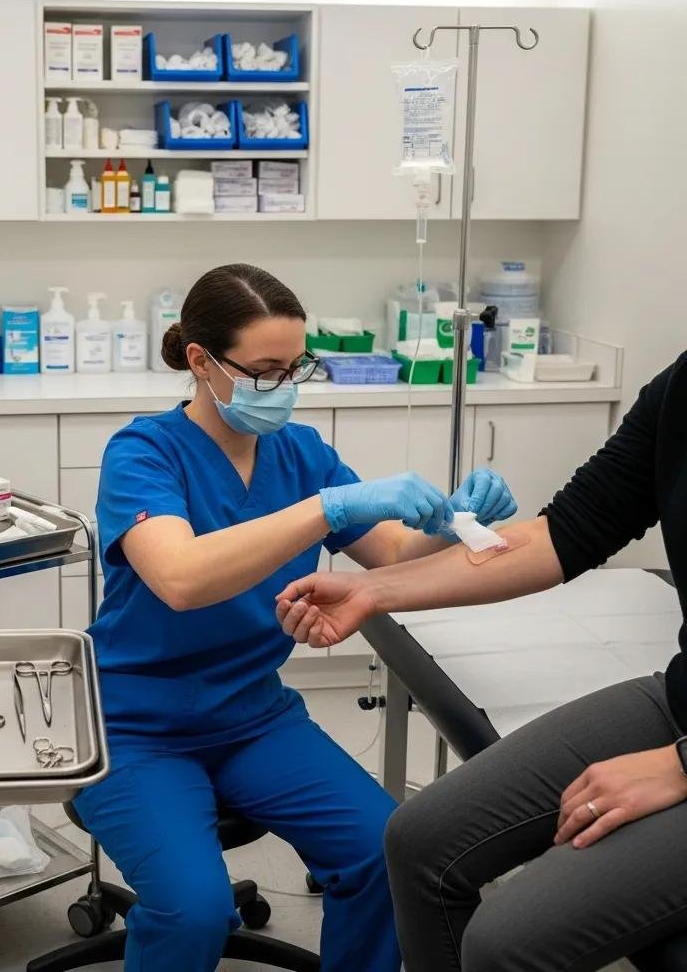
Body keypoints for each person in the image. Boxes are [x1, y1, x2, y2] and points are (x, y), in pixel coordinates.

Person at [73, 263, 516, 972]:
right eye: (266, 370)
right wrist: (330, 507)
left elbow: (395, 553)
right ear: (201, 361)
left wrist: (458, 520)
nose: (283, 386)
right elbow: (182, 579)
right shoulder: (144, 453)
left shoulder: (301, 453)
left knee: (386, 853)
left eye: (295, 367)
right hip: (134, 727)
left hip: (254, 717)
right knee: (194, 911)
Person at [275, 352, 687, 972]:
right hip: (679, 699)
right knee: (418, 842)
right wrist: (372, 591)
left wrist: (679, 766)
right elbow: (563, 531)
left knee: (504, 943)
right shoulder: (679, 388)